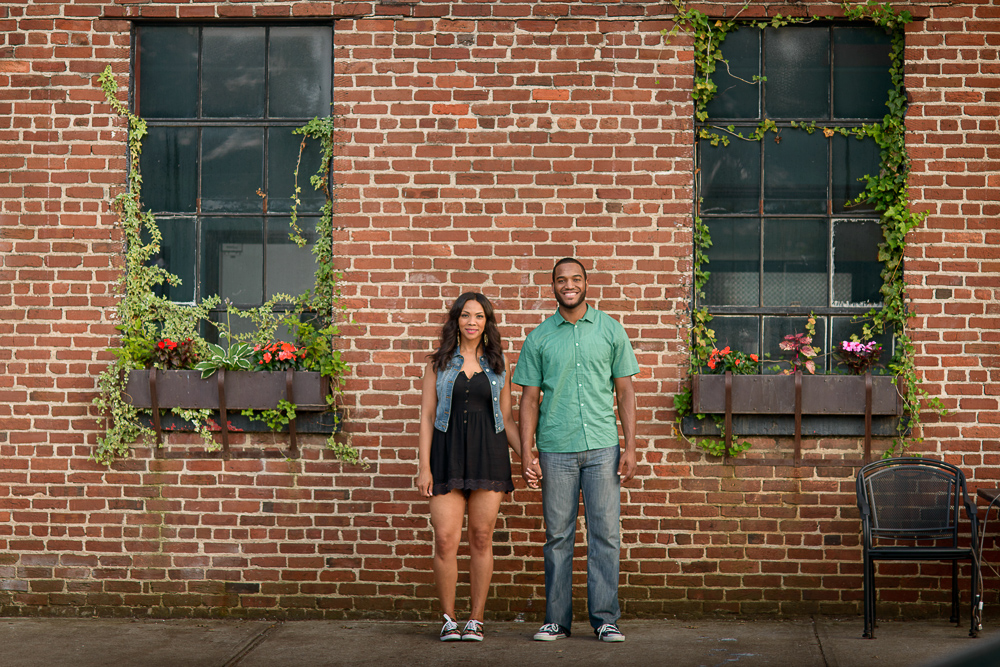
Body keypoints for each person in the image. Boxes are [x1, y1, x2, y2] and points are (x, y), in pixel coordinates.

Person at [513, 257, 639, 643]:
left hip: (603, 447)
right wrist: (526, 452)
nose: (569, 285)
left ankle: (605, 620)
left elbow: (625, 391)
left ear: (586, 283)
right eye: (561, 280)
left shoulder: (611, 329)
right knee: (558, 537)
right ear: (552, 286)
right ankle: (557, 620)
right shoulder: (539, 338)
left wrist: (630, 446)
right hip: (555, 448)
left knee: (605, 535)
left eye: (576, 278)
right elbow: (529, 400)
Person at [416, 292, 528, 642]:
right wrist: (423, 466)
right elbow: (428, 417)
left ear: (487, 323)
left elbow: (507, 419)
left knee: (481, 538)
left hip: (489, 457)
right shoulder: (437, 363)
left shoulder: (499, 364)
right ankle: (449, 618)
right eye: (466, 316)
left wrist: (527, 454)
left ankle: (475, 619)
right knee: (446, 540)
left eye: (479, 316)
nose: (472, 322)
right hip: (446, 458)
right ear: (456, 320)